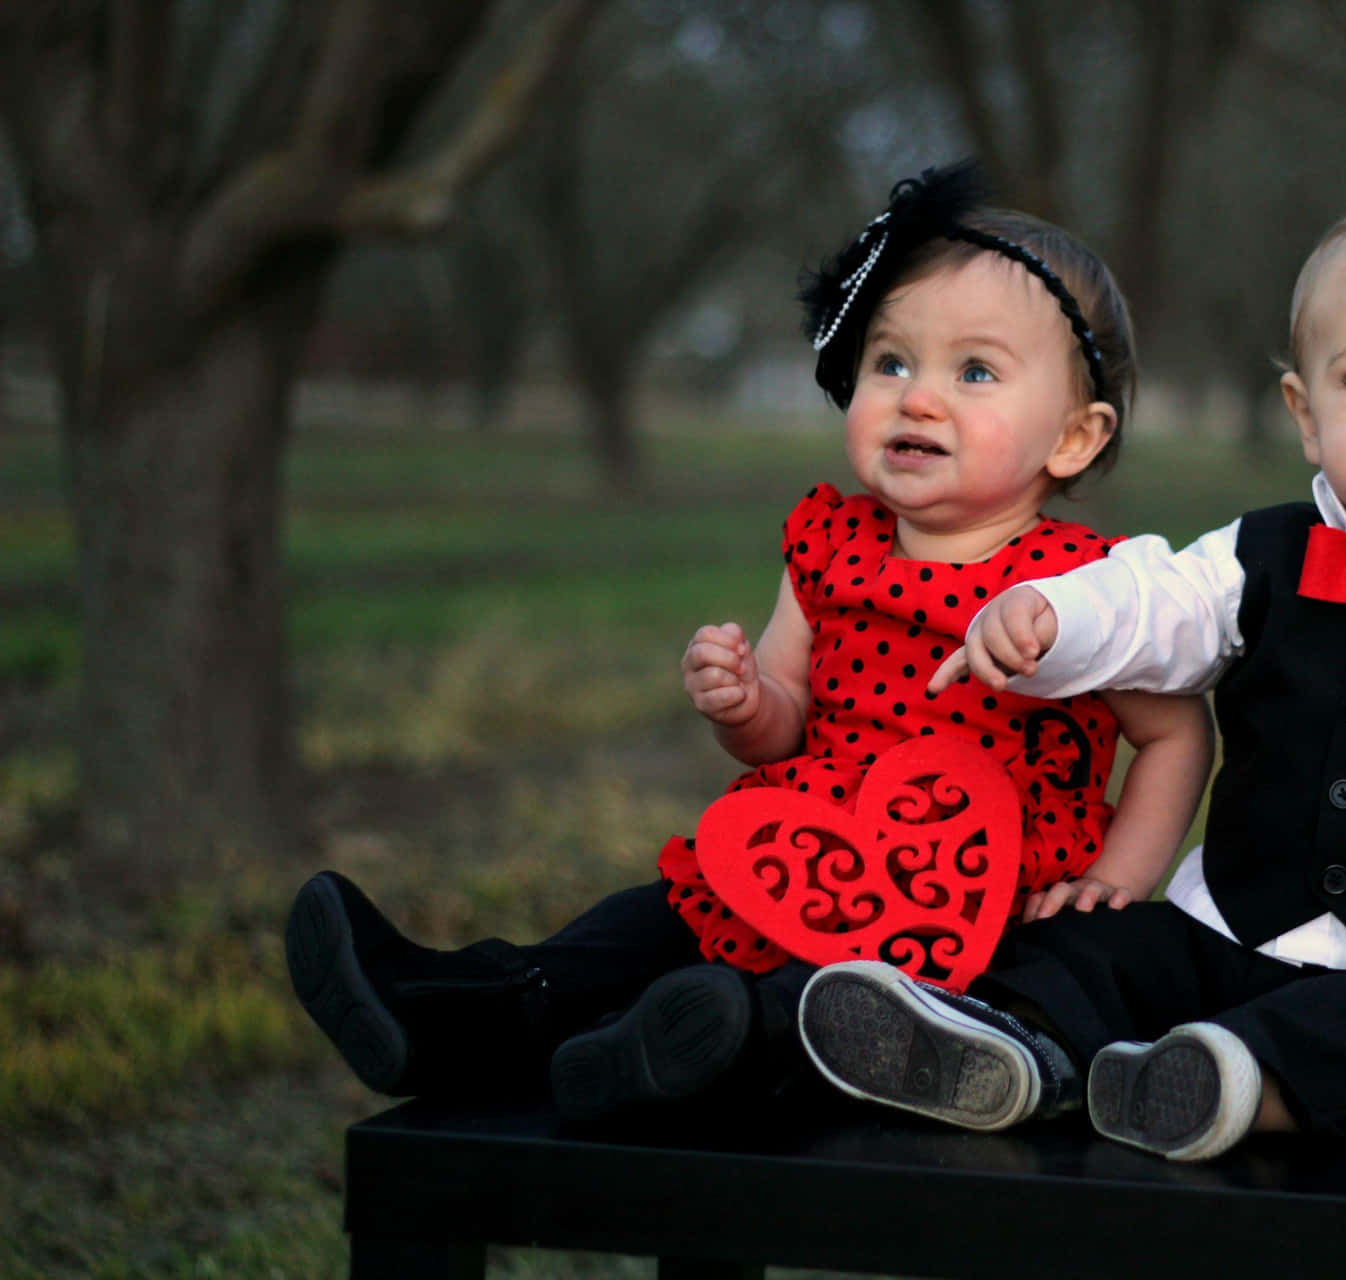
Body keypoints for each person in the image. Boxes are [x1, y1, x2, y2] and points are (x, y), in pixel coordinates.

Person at [284, 163, 1213, 1119]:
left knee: (825, 1003)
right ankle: (461, 1011)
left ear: (1073, 438)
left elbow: (1175, 732)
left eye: (973, 372)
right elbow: (784, 719)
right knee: (642, 925)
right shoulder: (829, 545)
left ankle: (697, 1053)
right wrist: (744, 701)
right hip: (800, 854)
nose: (918, 398)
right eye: (891, 362)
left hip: (975, 905)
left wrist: (1119, 875)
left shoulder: (1088, 591)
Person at [797, 187, 1346, 1160]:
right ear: (1304, 411)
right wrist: (1055, 614)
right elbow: (1151, 602)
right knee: (1087, 938)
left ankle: (1229, 1087)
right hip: (1219, 934)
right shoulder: (1261, 555)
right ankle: (1006, 1050)